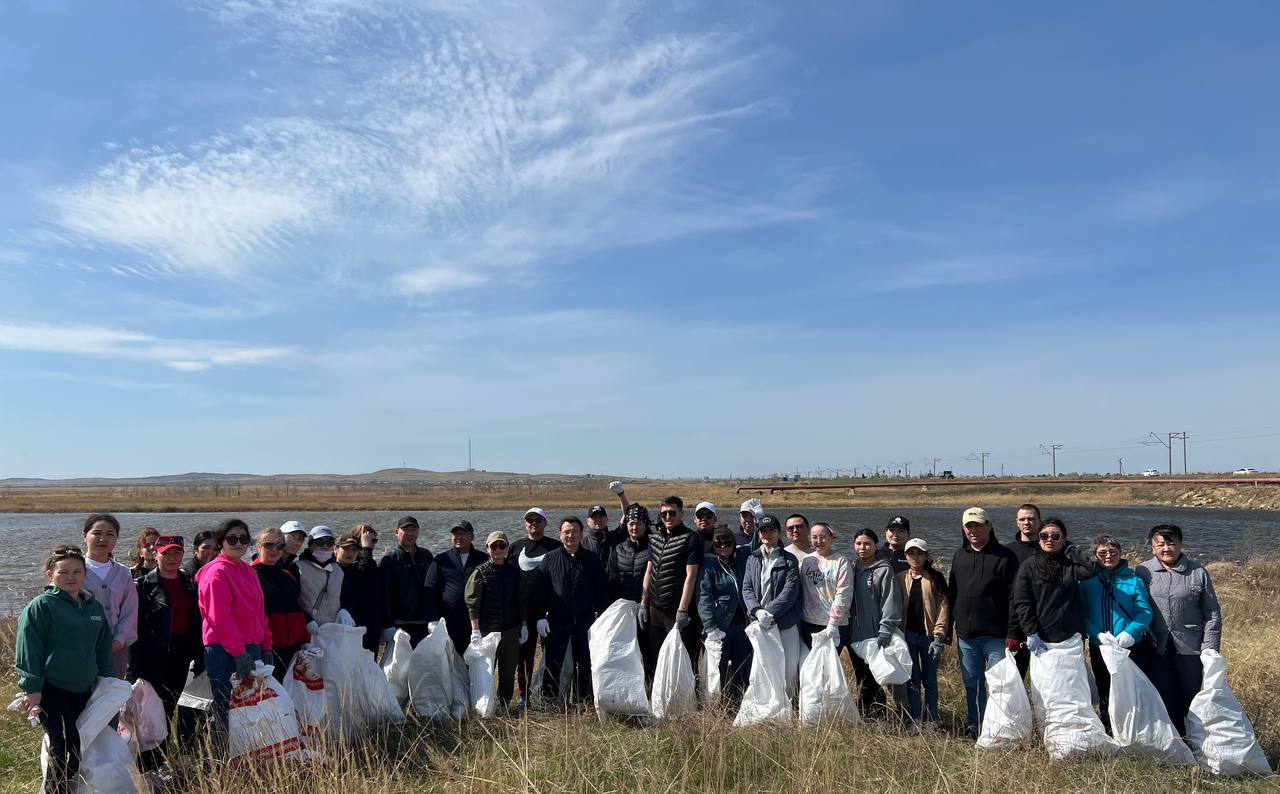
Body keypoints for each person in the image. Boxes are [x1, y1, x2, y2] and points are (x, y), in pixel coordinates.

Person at [15, 545, 113, 794]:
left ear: (85, 575)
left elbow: (102, 648)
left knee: (80, 745)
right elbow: (28, 650)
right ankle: (56, 789)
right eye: (63, 572)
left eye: (76, 572)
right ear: (50, 575)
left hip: (85, 689)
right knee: (66, 743)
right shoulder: (42, 606)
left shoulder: (93, 608)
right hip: (52, 688)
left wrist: (108, 683)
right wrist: (32, 689)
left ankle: (65, 786)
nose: (70, 577)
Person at [1135, 524, 1222, 737]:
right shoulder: (1143, 571)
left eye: (1172, 542)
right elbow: (1136, 606)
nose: (1167, 548)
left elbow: (1212, 613)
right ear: (1152, 547)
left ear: (1181, 544)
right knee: (1162, 696)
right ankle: (1174, 743)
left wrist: (1209, 648)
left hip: (1190, 647)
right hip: (1156, 647)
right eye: (1161, 543)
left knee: (1193, 696)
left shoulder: (1197, 572)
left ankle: (1199, 740)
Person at [196, 519, 272, 751]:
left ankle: (246, 753)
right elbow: (218, 619)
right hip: (225, 650)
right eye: (232, 539)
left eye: (243, 538)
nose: (238, 543)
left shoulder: (247, 569)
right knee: (227, 707)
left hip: (252, 647)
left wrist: (266, 645)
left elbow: (260, 613)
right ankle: (219, 760)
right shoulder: (216, 573)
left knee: (250, 706)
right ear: (221, 543)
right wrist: (239, 653)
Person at [130, 534, 202, 776]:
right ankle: (149, 767)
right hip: (153, 658)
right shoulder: (142, 586)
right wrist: (134, 668)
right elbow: (135, 629)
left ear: (183, 554)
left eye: (177, 553)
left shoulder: (191, 583)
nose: (172, 558)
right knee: (152, 714)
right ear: (155, 553)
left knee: (173, 710)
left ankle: (167, 763)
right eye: (166, 553)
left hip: (182, 657)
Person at [946, 507, 1021, 738]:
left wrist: (1013, 632)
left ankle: (999, 727)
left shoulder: (1006, 556)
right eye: (969, 526)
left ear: (989, 526)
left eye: (978, 525)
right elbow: (952, 593)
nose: (974, 530)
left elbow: (1014, 598)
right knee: (972, 684)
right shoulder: (960, 555)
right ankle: (975, 723)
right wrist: (948, 627)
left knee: (1000, 686)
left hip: (997, 636)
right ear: (963, 530)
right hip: (967, 636)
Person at [1079, 533, 1153, 733]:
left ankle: (1134, 729)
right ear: (1095, 555)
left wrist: (1131, 633)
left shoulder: (1133, 580)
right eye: (1102, 552)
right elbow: (1082, 613)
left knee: (1131, 689)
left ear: (1120, 553)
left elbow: (1144, 612)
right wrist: (1097, 634)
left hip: (1130, 646)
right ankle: (1109, 729)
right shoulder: (1087, 581)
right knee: (1105, 688)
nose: (1108, 556)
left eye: (1113, 551)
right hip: (1100, 646)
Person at [537, 517, 608, 702]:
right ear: (560, 535)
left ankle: (583, 700)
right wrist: (540, 617)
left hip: (585, 620)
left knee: (584, 662)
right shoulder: (550, 559)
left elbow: (601, 591)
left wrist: (602, 618)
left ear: (581, 534)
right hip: (556, 620)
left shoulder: (592, 560)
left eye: (574, 531)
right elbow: (540, 591)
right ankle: (550, 701)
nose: (571, 535)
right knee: (553, 662)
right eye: (566, 532)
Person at [465, 531, 530, 712]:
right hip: (487, 629)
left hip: (510, 628)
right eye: (494, 546)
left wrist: (524, 626)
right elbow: (472, 604)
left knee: (508, 670)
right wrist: (475, 630)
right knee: (485, 671)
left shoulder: (516, 572)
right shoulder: (479, 572)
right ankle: (483, 706)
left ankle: (504, 704)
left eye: (502, 546)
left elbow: (522, 601)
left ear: (507, 549)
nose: (498, 549)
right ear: (487, 549)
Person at [1012, 518, 1098, 654]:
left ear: (1064, 539)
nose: (1049, 540)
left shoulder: (1070, 565)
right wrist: (1031, 632)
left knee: (1074, 675)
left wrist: (1071, 550)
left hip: (1072, 636)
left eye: (1056, 536)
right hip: (1042, 635)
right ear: (1039, 539)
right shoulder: (1029, 565)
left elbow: (1090, 570)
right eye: (1044, 536)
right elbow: (1022, 602)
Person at [640, 496, 704, 679]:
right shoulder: (654, 538)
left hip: (676, 609)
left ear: (682, 514)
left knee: (682, 658)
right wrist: (644, 603)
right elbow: (649, 571)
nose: (667, 517)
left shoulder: (690, 538)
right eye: (664, 514)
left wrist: (683, 610)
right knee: (656, 657)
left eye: (672, 513)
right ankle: (658, 700)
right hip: (655, 608)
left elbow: (691, 576)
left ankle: (687, 702)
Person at [741, 514, 802, 700]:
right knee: (764, 665)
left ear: (779, 532)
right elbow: (747, 587)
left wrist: (769, 612)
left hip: (784, 623)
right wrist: (757, 611)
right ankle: (768, 702)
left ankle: (790, 704)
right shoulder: (753, 558)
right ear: (759, 534)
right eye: (763, 531)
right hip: (760, 623)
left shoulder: (789, 559)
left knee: (789, 667)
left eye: (772, 530)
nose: (767, 534)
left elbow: (790, 592)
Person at [894, 538, 950, 726]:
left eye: (919, 554)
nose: (915, 558)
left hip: (929, 637)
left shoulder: (935, 578)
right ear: (906, 556)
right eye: (911, 554)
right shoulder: (901, 577)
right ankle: (915, 718)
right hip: (908, 636)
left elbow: (943, 607)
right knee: (912, 679)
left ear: (926, 556)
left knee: (930, 680)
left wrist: (939, 636)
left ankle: (932, 718)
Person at [847, 528, 901, 718]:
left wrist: (885, 630)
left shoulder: (884, 570)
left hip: (875, 634)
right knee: (861, 675)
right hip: (854, 635)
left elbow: (890, 602)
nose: (863, 547)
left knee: (874, 677)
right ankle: (863, 714)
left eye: (867, 543)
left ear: (876, 546)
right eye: (859, 543)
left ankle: (878, 715)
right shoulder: (851, 568)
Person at [511, 507, 562, 704]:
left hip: (551, 611)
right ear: (525, 523)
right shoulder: (515, 547)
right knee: (525, 657)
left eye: (538, 520)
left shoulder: (556, 547)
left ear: (545, 523)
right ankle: (525, 696)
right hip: (525, 613)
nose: (534, 523)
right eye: (530, 520)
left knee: (553, 654)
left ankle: (550, 694)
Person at [697, 525, 752, 705]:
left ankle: (739, 704)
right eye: (718, 543)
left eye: (727, 542)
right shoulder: (709, 565)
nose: (723, 547)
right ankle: (715, 705)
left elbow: (760, 543)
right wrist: (710, 627)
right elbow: (703, 597)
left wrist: (756, 519)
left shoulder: (743, 557)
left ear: (734, 543)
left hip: (743, 627)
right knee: (716, 671)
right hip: (720, 627)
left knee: (742, 668)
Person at [81, 513, 138, 678]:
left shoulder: (123, 573)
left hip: (116, 650)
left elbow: (130, 611)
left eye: (110, 534)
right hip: (82, 649)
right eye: (97, 533)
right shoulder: (74, 569)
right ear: (84, 536)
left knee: (111, 698)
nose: (103, 539)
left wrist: (118, 641)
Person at [251, 527, 308, 679]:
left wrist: (305, 641)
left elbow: (298, 610)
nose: (274, 550)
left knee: (290, 695)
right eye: (269, 545)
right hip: (266, 649)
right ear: (258, 546)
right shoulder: (249, 575)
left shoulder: (288, 575)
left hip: (293, 648)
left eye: (280, 546)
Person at [425, 520, 489, 655]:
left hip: (476, 622)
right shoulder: (441, 560)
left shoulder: (483, 559)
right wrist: (432, 619)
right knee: (449, 661)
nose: (458, 537)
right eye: (455, 534)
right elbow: (431, 591)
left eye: (463, 534)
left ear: (472, 537)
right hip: (448, 621)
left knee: (473, 661)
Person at [380, 515, 434, 646]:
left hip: (424, 622)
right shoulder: (389, 559)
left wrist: (434, 618)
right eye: (405, 530)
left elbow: (433, 589)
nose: (410, 534)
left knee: (423, 664)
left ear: (418, 531)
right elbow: (385, 594)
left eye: (413, 529)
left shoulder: (426, 556)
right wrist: (387, 625)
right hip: (399, 624)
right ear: (397, 532)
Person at [797, 522, 851, 650]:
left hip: (834, 624)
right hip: (809, 621)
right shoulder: (806, 561)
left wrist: (833, 623)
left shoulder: (841, 561)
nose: (818, 541)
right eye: (814, 537)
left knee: (830, 667)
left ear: (832, 537)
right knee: (811, 665)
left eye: (823, 537)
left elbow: (844, 593)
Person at [336, 524, 385, 655]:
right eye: (370, 541)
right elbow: (364, 574)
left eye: (374, 541)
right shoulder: (346, 566)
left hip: (371, 624)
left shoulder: (364, 562)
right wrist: (365, 549)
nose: (372, 544)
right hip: (351, 624)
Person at [295, 525, 345, 626]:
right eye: (320, 542)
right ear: (310, 545)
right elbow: (293, 601)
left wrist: (345, 610)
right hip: (308, 628)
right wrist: (307, 620)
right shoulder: (297, 568)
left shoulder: (338, 570)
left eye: (329, 542)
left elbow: (345, 597)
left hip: (333, 627)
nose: (325, 546)